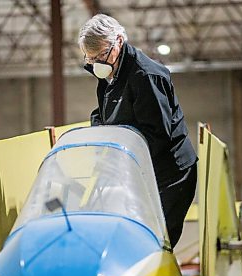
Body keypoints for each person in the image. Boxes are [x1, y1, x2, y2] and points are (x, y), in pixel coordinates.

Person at [78, 14, 197, 248]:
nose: (96, 63)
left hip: (169, 174)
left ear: (119, 42)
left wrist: (120, 159)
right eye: (90, 59)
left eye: (101, 55)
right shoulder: (108, 69)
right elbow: (104, 112)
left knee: (154, 242)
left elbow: (157, 135)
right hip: (141, 170)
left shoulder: (147, 76)